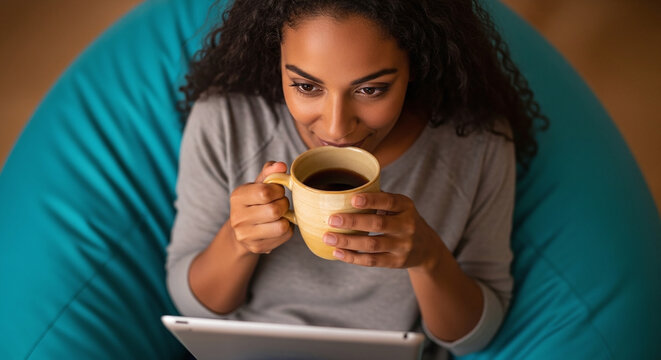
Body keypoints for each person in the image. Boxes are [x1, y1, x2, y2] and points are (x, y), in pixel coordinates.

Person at [166, 0, 547, 357]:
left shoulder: (477, 146)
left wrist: (428, 257)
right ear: (275, 56)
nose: (335, 127)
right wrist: (238, 240)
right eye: (306, 86)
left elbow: (475, 337)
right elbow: (195, 308)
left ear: (416, 64)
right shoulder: (226, 123)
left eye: (370, 89)